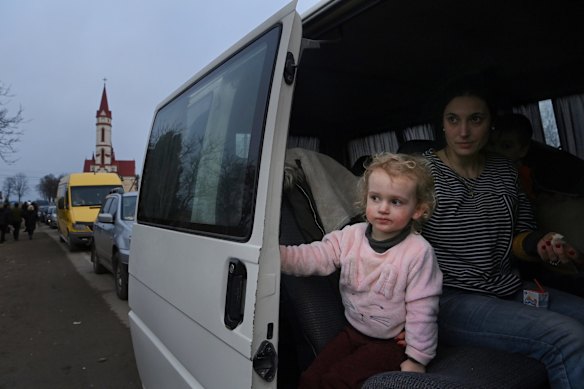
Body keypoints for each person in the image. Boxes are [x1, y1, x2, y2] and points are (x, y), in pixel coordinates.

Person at [421, 81, 584, 389]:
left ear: (491, 125)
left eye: (476, 119)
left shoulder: (505, 171)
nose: (464, 131)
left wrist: (542, 244)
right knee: (570, 336)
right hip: (452, 299)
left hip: (509, 288)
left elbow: (519, 239)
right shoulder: (420, 173)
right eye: (453, 119)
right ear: (442, 124)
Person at [280, 153, 442, 388]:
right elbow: (316, 256)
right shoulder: (350, 236)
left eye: (396, 202)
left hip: (389, 344)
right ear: (365, 200)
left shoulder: (418, 252)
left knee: (336, 381)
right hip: (352, 331)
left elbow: (423, 308)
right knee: (310, 378)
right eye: (375, 198)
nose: (383, 208)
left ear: (417, 210)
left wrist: (417, 358)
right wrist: (279, 256)